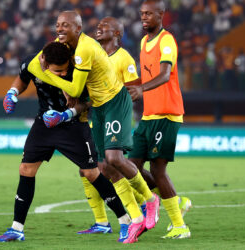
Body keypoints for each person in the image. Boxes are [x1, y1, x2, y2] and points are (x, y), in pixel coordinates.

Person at [33, 11, 159, 244]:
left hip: (115, 101)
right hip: (98, 107)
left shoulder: (83, 49)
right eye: (58, 25)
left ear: (78, 28)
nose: (60, 29)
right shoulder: (68, 49)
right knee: (103, 166)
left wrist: (48, 73)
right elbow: (71, 86)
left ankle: (151, 202)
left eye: (66, 25)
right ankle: (135, 217)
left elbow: (74, 87)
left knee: (114, 158)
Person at [0, 42, 130, 243]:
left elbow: (87, 101)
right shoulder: (31, 63)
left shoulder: (77, 68)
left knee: (92, 173)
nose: (64, 74)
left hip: (72, 125)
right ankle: (16, 228)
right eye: (59, 71)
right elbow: (22, 79)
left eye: (66, 69)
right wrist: (12, 93)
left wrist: (65, 114)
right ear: (44, 63)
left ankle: (124, 220)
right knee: (26, 170)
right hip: (44, 124)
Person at [74, 17, 146, 240]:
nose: (98, 28)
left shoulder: (124, 58)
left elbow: (134, 91)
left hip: (116, 114)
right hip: (96, 115)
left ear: (117, 34)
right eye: (97, 26)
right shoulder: (93, 52)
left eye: (104, 27)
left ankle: (141, 206)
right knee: (89, 168)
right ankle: (102, 221)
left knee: (112, 166)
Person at [126, 0, 191, 239]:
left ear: (161, 14)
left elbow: (164, 74)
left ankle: (179, 226)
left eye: (149, 14)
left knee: (157, 168)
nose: (143, 18)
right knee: (130, 166)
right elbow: (146, 76)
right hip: (148, 115)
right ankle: (177, 200)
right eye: (141, 14)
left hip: (167, 113)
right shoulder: (144, 42)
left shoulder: (167, 40)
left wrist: (141, 90)